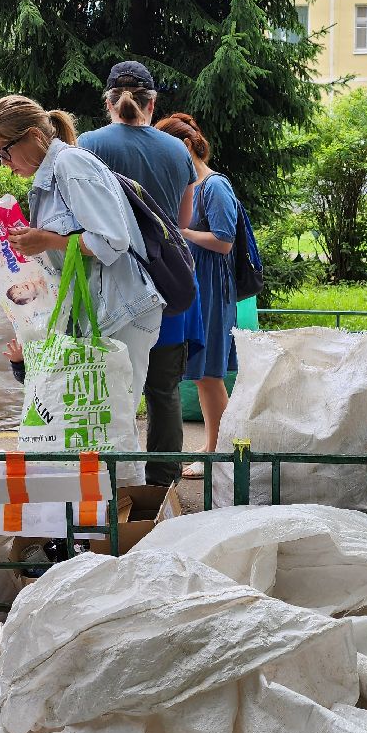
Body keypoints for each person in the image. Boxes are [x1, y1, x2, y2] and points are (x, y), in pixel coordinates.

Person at [0, 94, 165, 432]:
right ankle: (110, 485)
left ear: (34, 136)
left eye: (4, 152)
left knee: (112, 428)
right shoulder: (49, 176)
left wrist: (47, 239)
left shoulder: (71, 164)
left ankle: (124, 485)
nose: (4, 162)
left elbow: (112, 239)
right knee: (97, 428)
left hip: (122, 312)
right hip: (98, 313)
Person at [78, 61, 200, 488]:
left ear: (108, 102)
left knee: (108, 388)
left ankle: (113, 481)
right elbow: (182, 221)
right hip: (167, 283)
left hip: (111, 288)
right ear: (153, 103)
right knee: (163, 392)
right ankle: (163, 484)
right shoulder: (177, 150)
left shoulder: (89, 144)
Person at [155, 113, 237, 477]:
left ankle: (221, 453)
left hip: (213, 285)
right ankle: (212, 446)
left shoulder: (215, 186)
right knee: (202, 373)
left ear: (187, 147)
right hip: (197, 284)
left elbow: (223, 241)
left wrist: (179, 231)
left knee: (211, 373)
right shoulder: (193, 186)